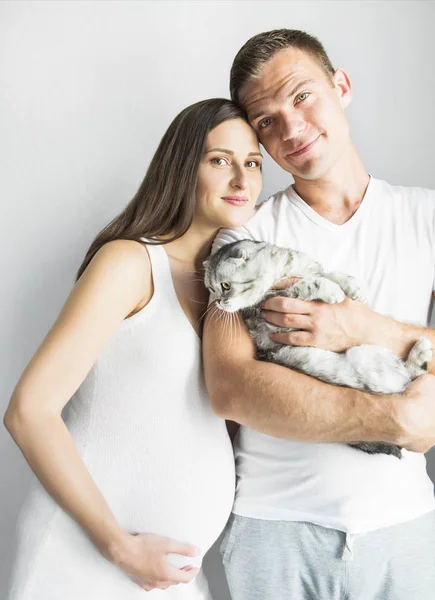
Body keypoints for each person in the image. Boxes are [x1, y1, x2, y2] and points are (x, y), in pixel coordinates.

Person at [203, 29, 435, 600]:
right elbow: (231, 387)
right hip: (273, 530)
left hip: (404, 527)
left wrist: (362, 328)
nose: (291, 127)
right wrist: (393, 420)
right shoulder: (244, 237)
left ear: (342, 87)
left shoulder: (426, 216)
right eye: (267, 121)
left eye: (301, 96)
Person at [3, 98, 263, 599]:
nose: (242, 179)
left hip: (174, 580)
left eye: (252, 162)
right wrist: (116, 545)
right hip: (82, 565)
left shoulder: (230, 292)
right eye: (219, 160)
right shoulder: (129, 263)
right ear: (183, 166)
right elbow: (28, 412)